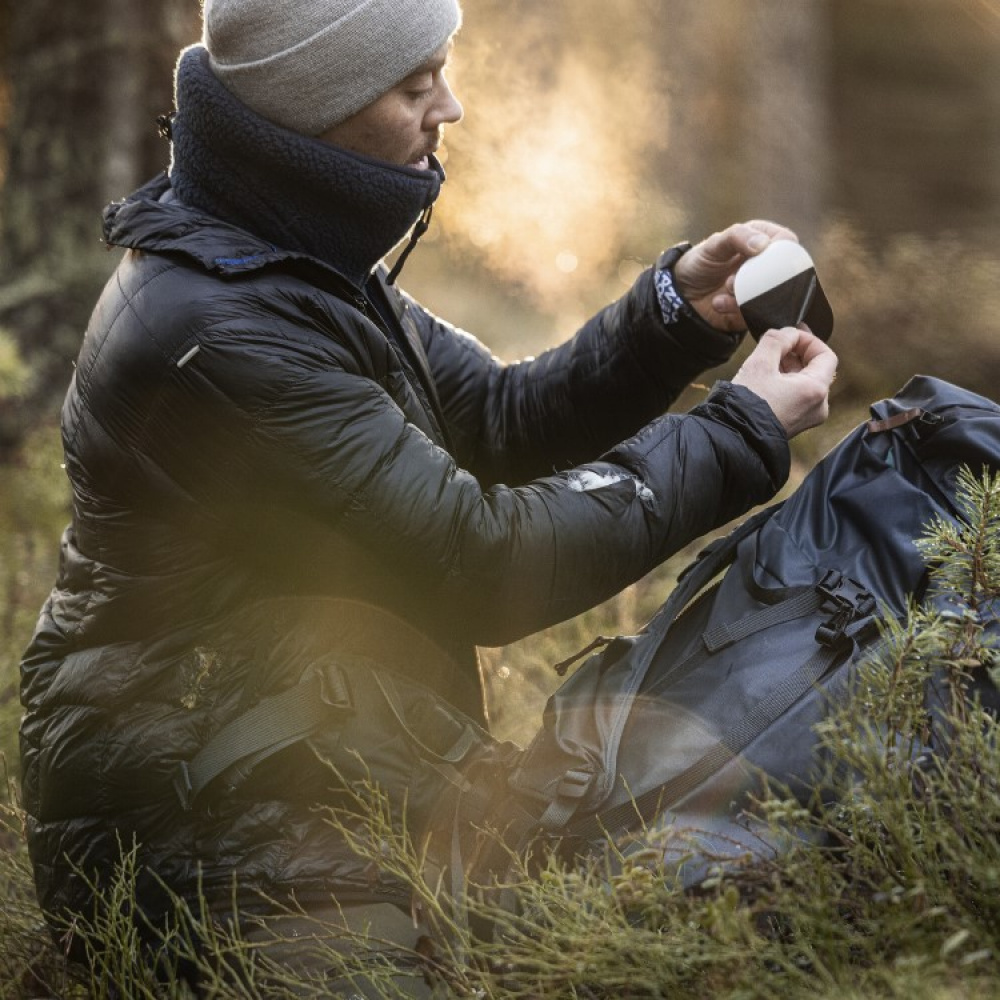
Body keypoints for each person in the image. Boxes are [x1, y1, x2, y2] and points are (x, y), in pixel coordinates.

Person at [19, 0, 837, 993]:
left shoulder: (286, 259)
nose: (448, 107)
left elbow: (494, 420)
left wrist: (673, 314)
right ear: (316, 108)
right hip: (192, 822)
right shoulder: (221, 328)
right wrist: (738, 426)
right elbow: (482, 562)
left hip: (312, 750)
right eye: (415, 86)